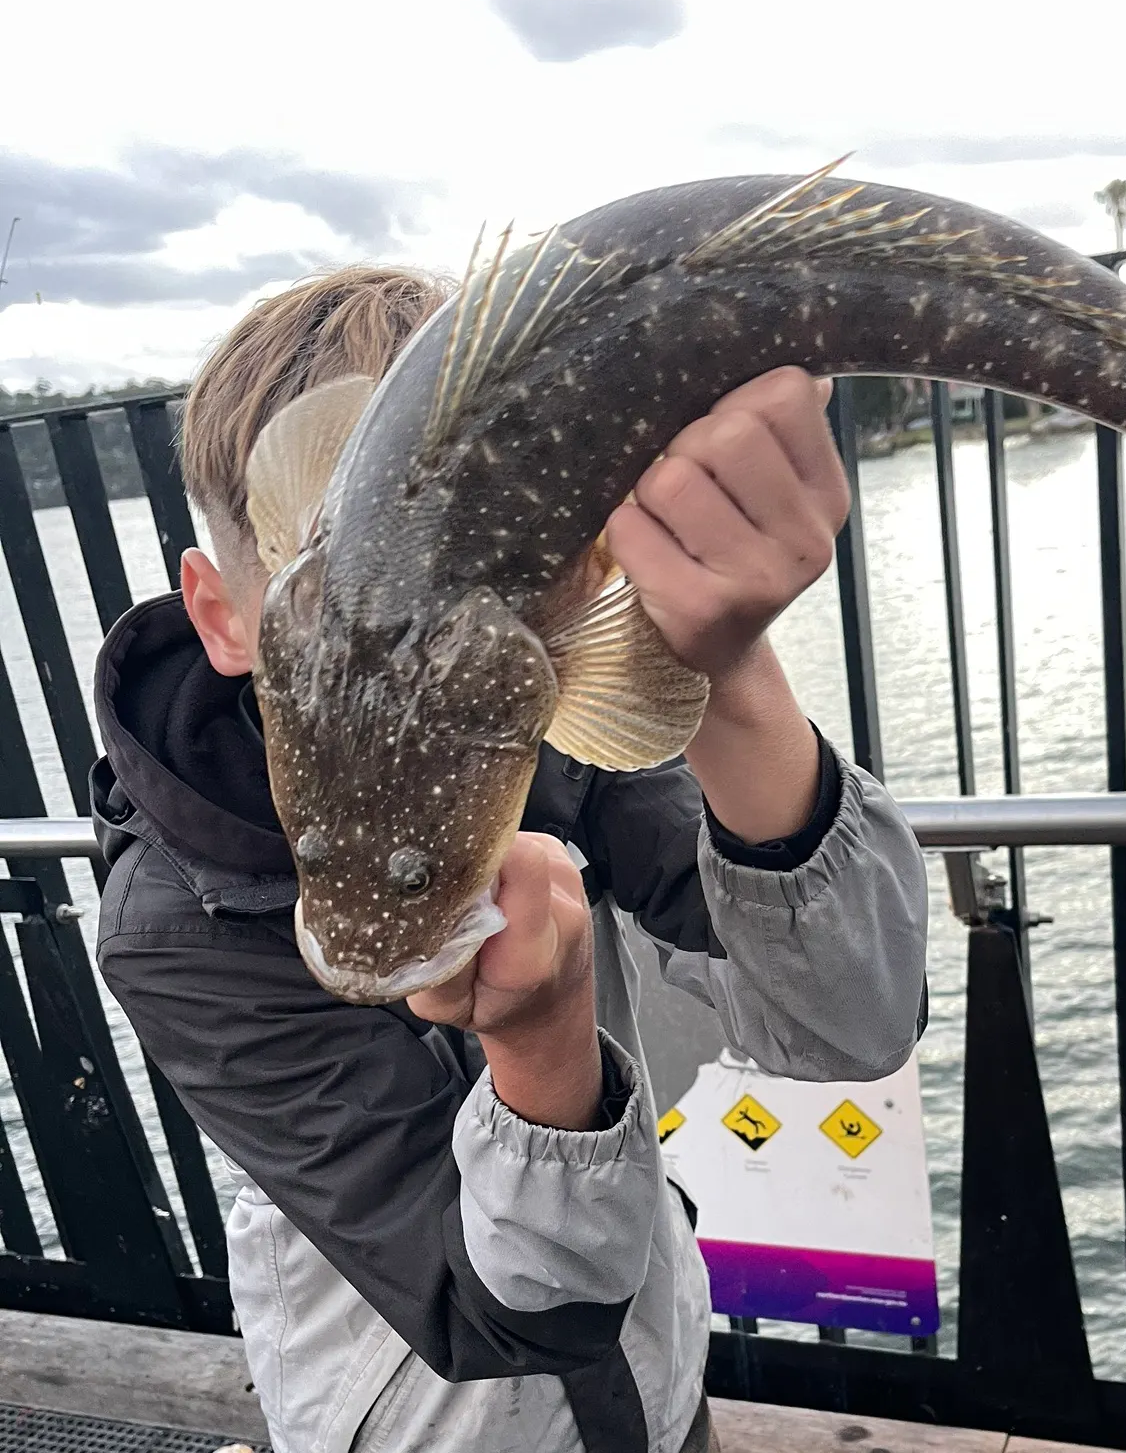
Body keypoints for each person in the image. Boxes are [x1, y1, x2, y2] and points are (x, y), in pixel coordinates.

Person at [90, 265, 929, 1453]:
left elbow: (853, 1025)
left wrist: (727, 665)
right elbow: (504, 1317)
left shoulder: (562, 731)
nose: (414, 656)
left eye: (467, 595)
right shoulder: (174, 925)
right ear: (221, 612)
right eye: (338, 603)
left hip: (663, 1388)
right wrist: (541, 1045)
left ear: (565, 581)